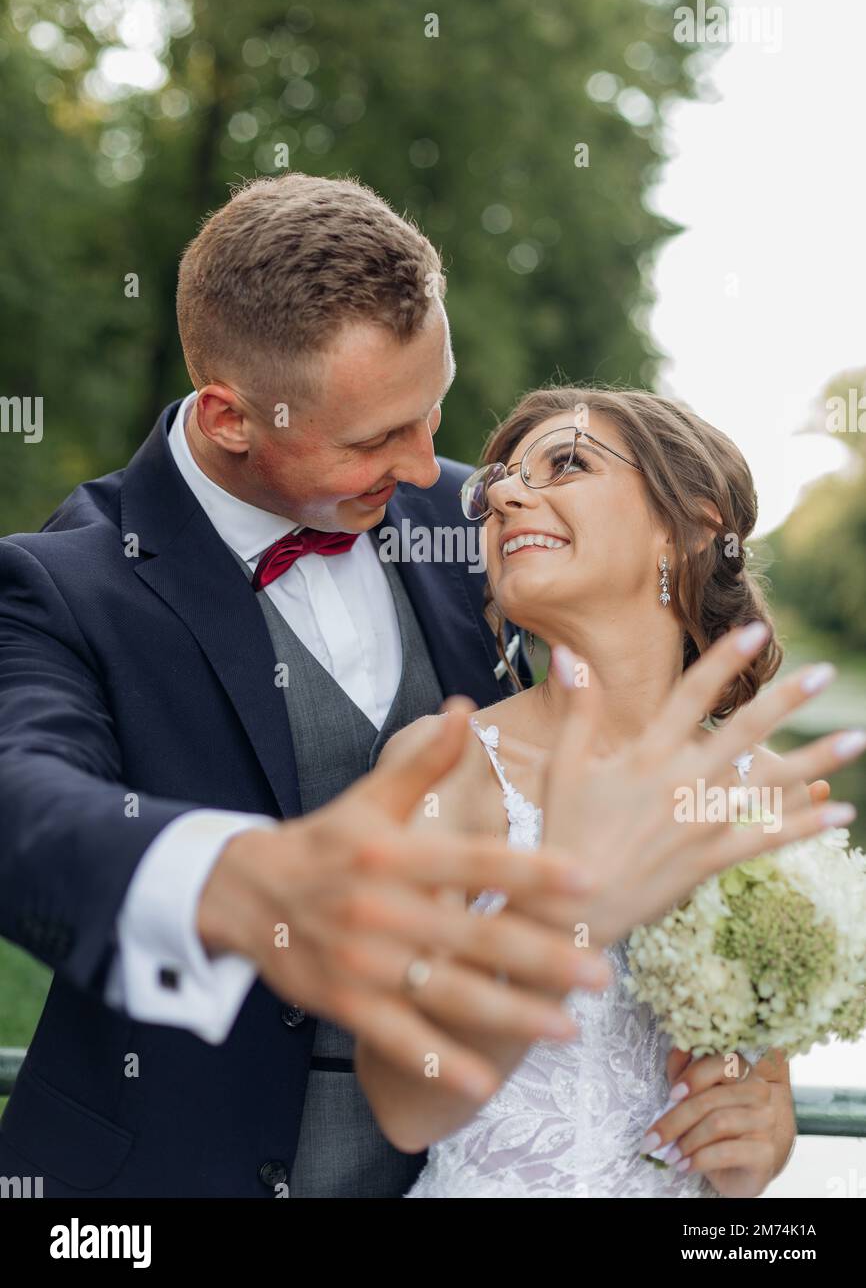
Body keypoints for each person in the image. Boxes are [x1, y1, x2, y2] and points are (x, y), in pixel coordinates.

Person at [0, 177, 852, 1197]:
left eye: (433, 412)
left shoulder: (483, 526)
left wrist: (762, 1115)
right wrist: (228, 878)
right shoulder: (62, 582)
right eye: (371, 440)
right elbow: (23, 809)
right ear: (232, 417)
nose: (438, 472)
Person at [353, 386, 866, 1198]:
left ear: (690, 529)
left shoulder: (765, 789)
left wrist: (762, 1135)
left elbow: (754, 1068)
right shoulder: (447, 766)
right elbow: (405, 1104)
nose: (505, 496)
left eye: (566, 464)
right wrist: (563, 915)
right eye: (498, 486)